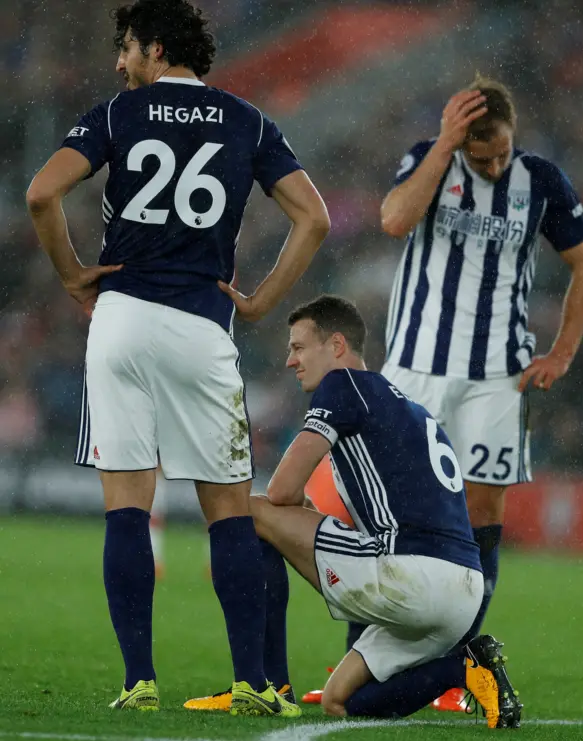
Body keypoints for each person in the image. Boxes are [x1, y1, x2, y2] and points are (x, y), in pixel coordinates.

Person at [25, 0, 330, 716]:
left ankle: (138, 680)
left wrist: (72, 273)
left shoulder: (116, 114)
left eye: (125, 49)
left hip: (122, 319)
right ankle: (254, 679)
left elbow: (42, 192)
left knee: (127, 508)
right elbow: (312, 217)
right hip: (201, 325)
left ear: (156, 50)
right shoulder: (246, 119)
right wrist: (258, 300)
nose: (118, 63)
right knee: (226, 510)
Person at [188, 294, 522, 728]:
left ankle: (268, 685)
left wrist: (295, 509)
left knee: (249, 513)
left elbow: (283, 490)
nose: (291, 361)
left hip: (413, 575)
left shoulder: (342, 385)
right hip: (463, 591)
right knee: (340, 700)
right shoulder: (409, 406)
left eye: (299, 347)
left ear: (337, 345)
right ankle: (463, 668)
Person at [378, 75, 583, 707]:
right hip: (416, 368)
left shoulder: (543, 182)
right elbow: (393, 220)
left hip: (499, 377)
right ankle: (367, 663)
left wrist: (562, 352)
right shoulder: (430, 160)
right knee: (393, 511)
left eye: (502, 151)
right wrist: (445, 146)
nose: (495, 164)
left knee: (482, 519)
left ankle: (459, 670)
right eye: (481, 156)